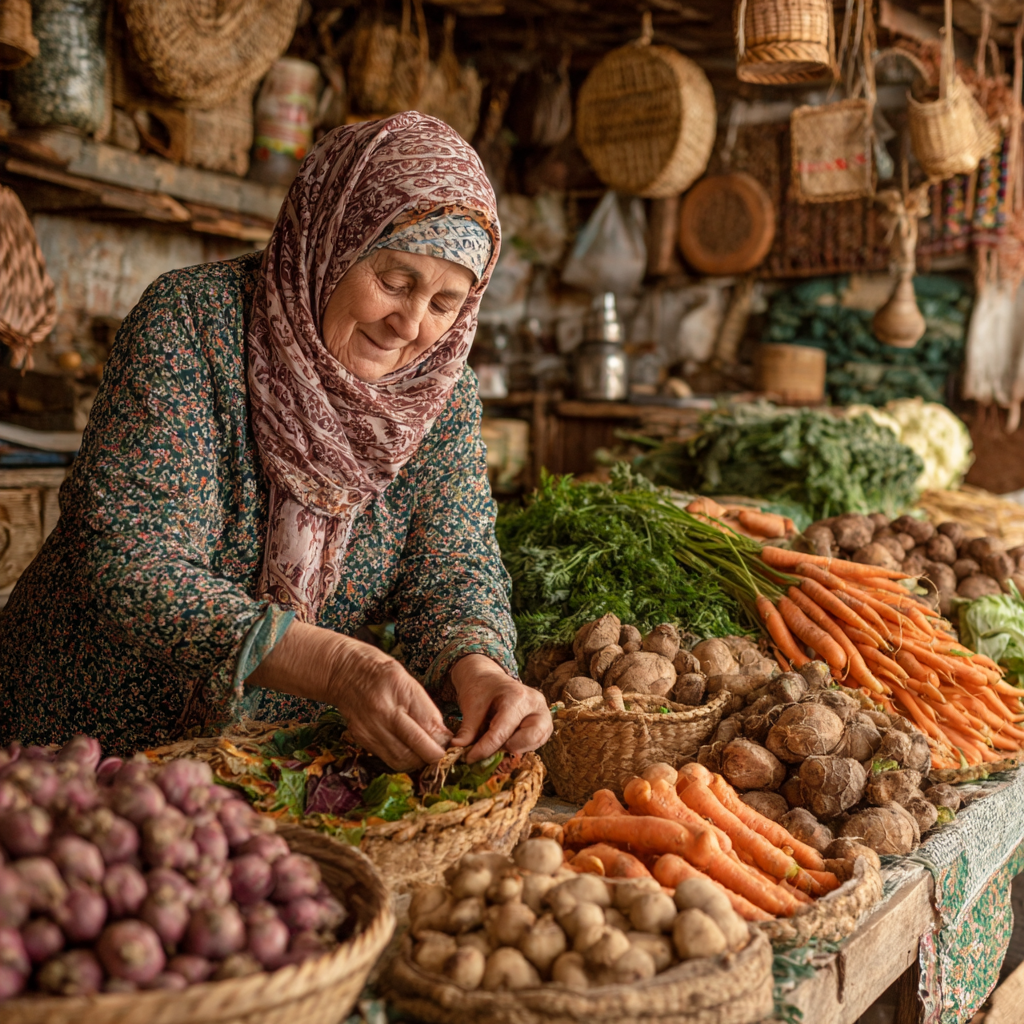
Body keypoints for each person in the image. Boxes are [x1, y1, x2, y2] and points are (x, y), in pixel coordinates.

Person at [0, 112, 551, 768]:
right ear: (331, 240)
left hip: (272, 764)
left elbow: (452, 563)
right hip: (86, 739)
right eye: (395, 282)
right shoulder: (192, 323)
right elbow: (133, 562)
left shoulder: (442, 391)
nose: (409, 324)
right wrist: (335, 668)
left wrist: (481, 663)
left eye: (444, 304)